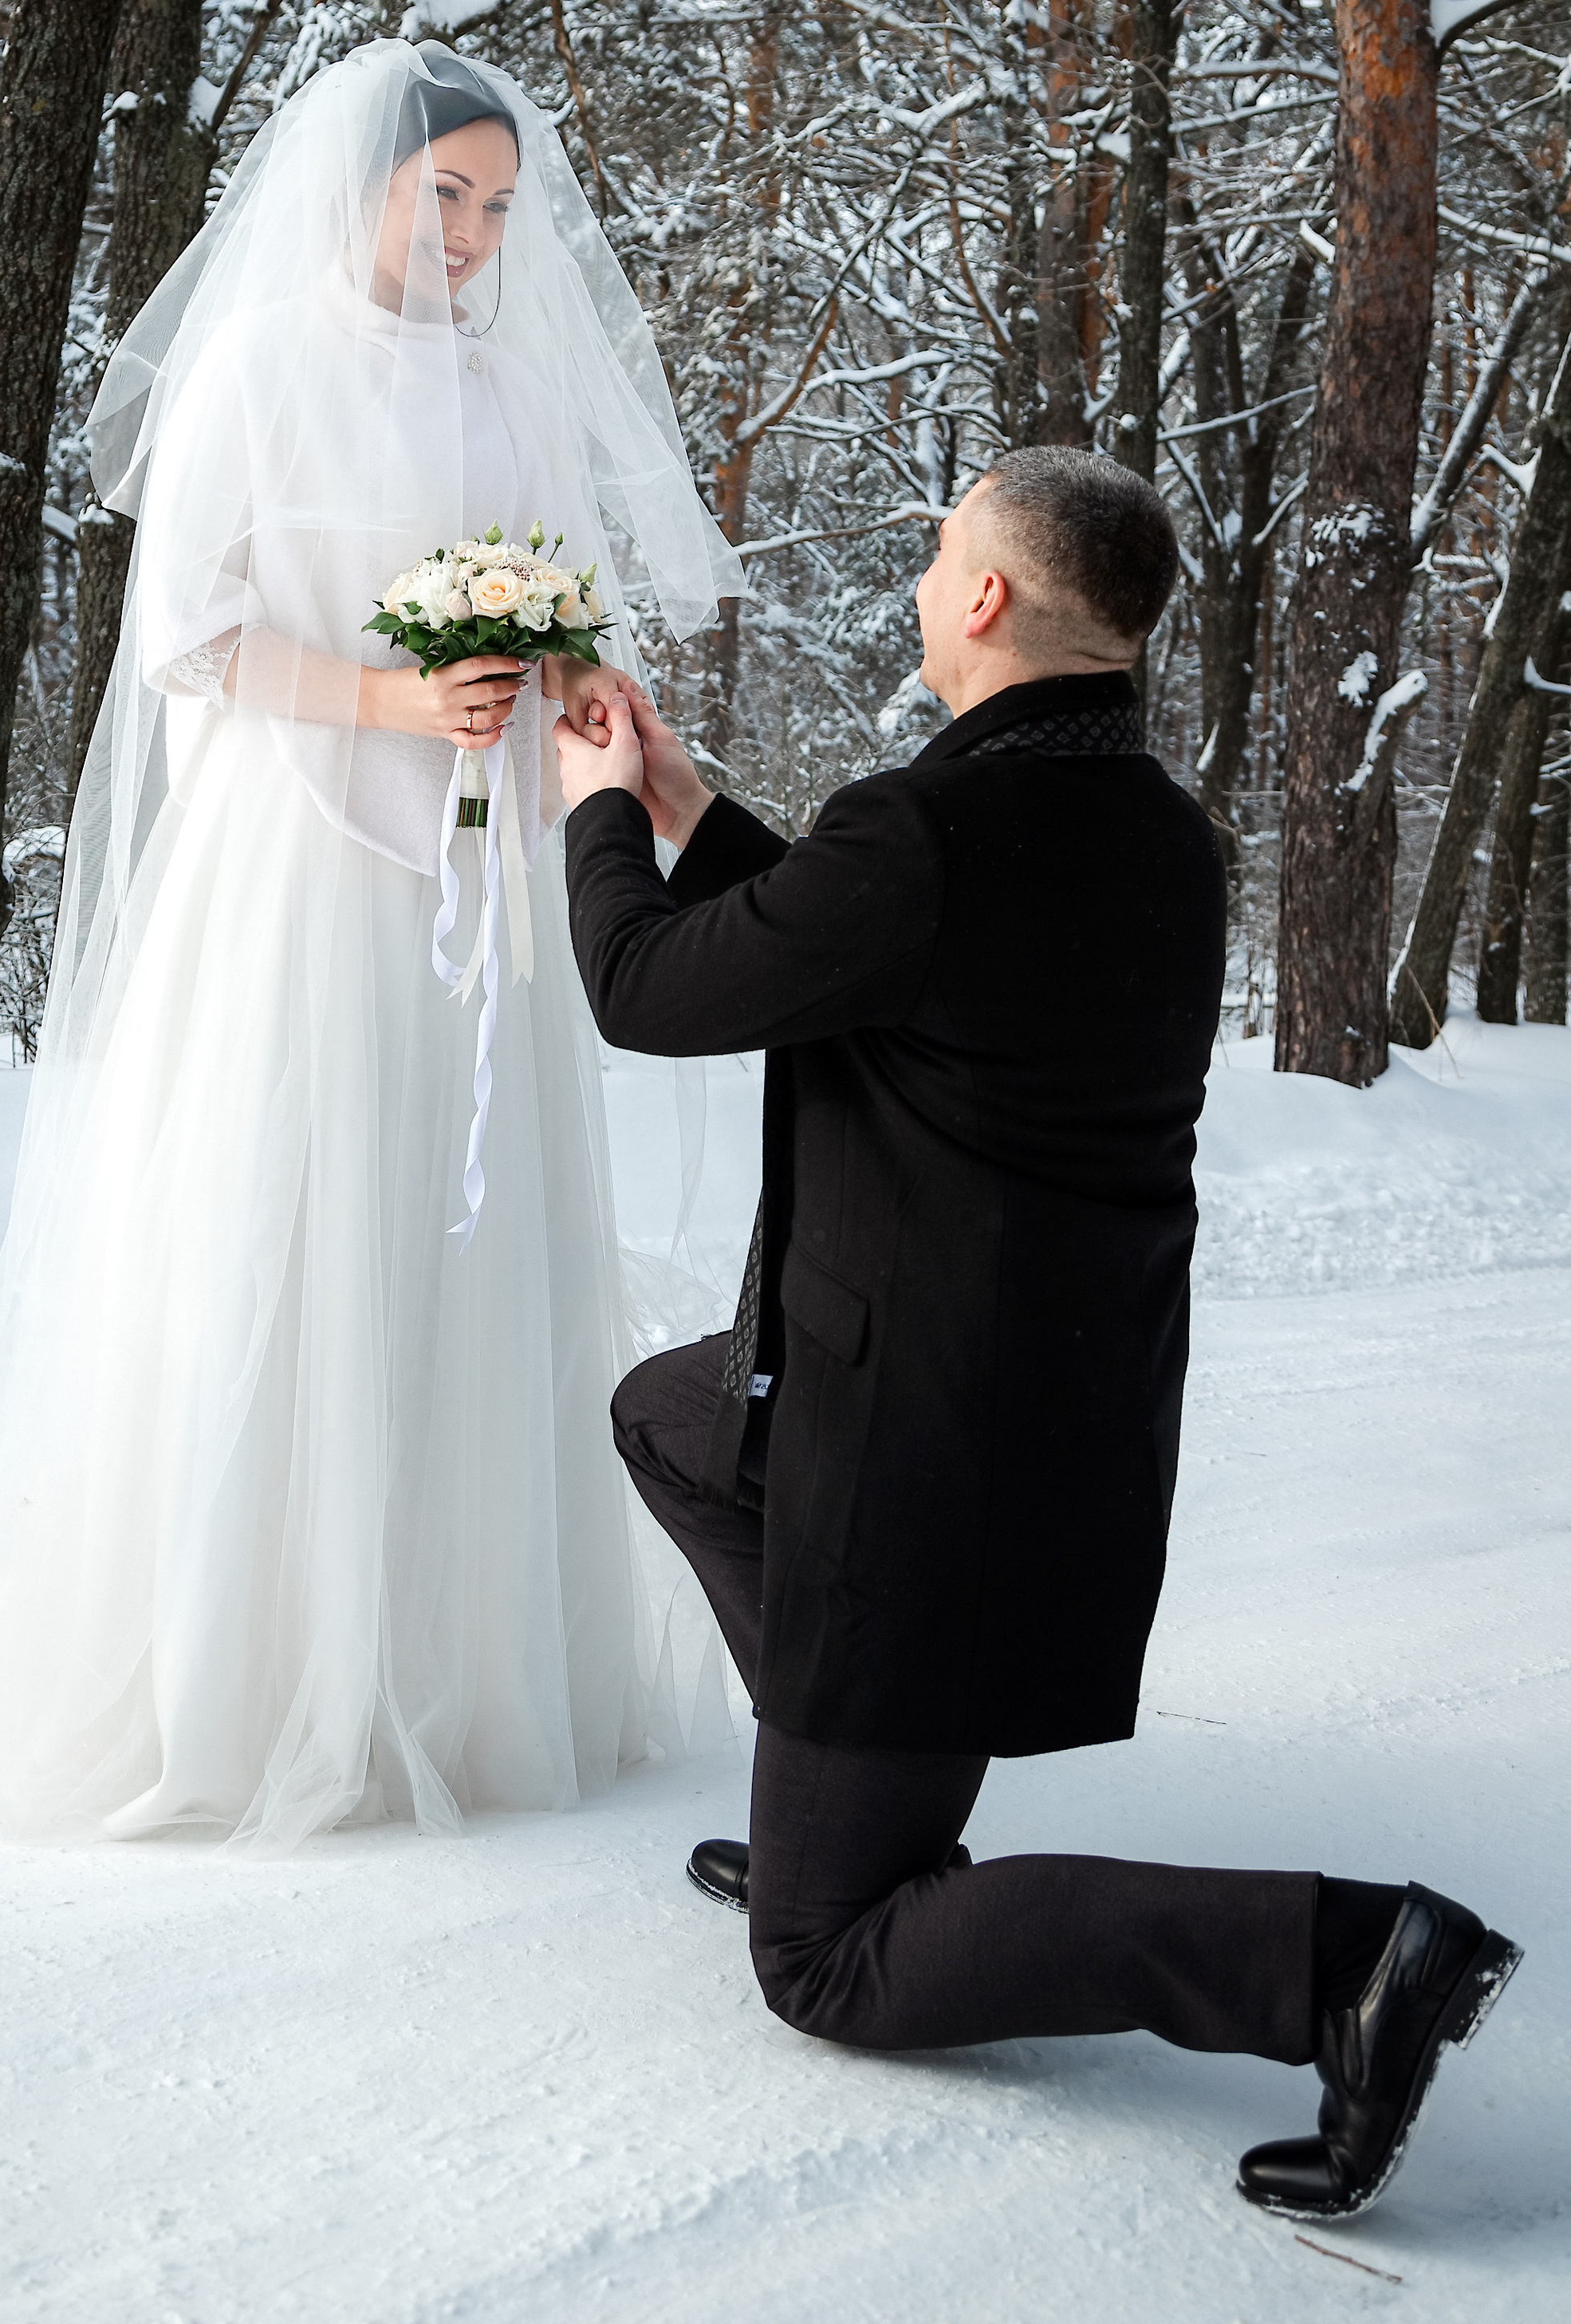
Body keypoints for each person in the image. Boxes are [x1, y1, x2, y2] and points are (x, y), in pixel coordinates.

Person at [552, 447, 1520, 2224]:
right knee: (675, 1418)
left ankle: (1342, 1957)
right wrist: (692, 806)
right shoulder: (1151, 830)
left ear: (985, 599)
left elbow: (647, 992)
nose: (925, 582)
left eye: (938, 556)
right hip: (1045, 1414)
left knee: (824, 1960)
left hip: (911, 1451)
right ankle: (832, 1782)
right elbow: (875, 959)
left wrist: (598, 809)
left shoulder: (925, 830)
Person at [0, 37, 738, 1848]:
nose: (470, 235)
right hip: (297, 864)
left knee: (465, 1233)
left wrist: (557, 685)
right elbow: (192, 637)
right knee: (287, 1218)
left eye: (498, 206)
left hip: (478, 868)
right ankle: (256, 1669)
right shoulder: (262, 362)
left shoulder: (515, 388)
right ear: (358, 184)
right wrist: (394, 701)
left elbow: (560, 604)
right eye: (442, 193)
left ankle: (464, 1661)